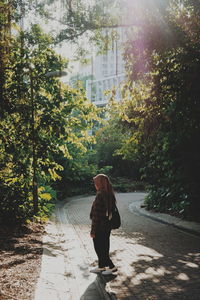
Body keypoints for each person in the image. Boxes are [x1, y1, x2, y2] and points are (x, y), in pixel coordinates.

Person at [89, 174, 118, 275]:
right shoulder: (109, 194)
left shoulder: (100, 195)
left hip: (100, 227)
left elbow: (96, 215)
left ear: (99, 183)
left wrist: (93, 231)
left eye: (96, 183)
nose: (94, 185)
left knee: (99, 247)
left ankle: (111, 267)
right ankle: (101, 267)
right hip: (107, 226)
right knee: (104, 246)